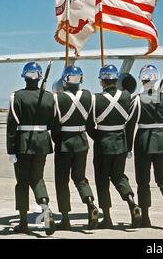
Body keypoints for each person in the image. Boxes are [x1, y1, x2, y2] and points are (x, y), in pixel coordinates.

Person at [126, 65, 163, 230]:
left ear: (142, 80)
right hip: (162, 140)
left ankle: (145, 218)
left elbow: (130, 125)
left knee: (143, 181)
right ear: (155, 79)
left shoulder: (137, 99)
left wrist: (128, 147)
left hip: (144, 141)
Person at [86, 64, 142, 229]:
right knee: (119, 176)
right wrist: (128, 146)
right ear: (116, 80)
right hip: (121, 142)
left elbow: (90, 125)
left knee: (102, 180)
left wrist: (99, 138)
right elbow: (130, 123)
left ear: (102, 82)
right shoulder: (126, 96)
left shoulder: (96, 99)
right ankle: (132, 203)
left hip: (103, 143)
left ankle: (107, 218)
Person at [6, 62, 56, 235]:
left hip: (23, 143)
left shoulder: (17, 96)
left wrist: (10, 150)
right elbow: (52, 123)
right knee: (37, 178)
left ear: (25, 77)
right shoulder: (49, 97)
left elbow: (12, 126)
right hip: (42, 142)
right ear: (40, 77)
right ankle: (46, 209)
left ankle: (23, 222)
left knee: (22, 182)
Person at [52, 66, 99, 231]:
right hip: (82, 141)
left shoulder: (58, 98)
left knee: (62, 181)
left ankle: (65, 219)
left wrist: (57, 141)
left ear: (65, 80)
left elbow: (55, 125)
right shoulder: (88, 96)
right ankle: (91, 204)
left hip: (64, 143)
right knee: (80, 178)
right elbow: (91, 123)